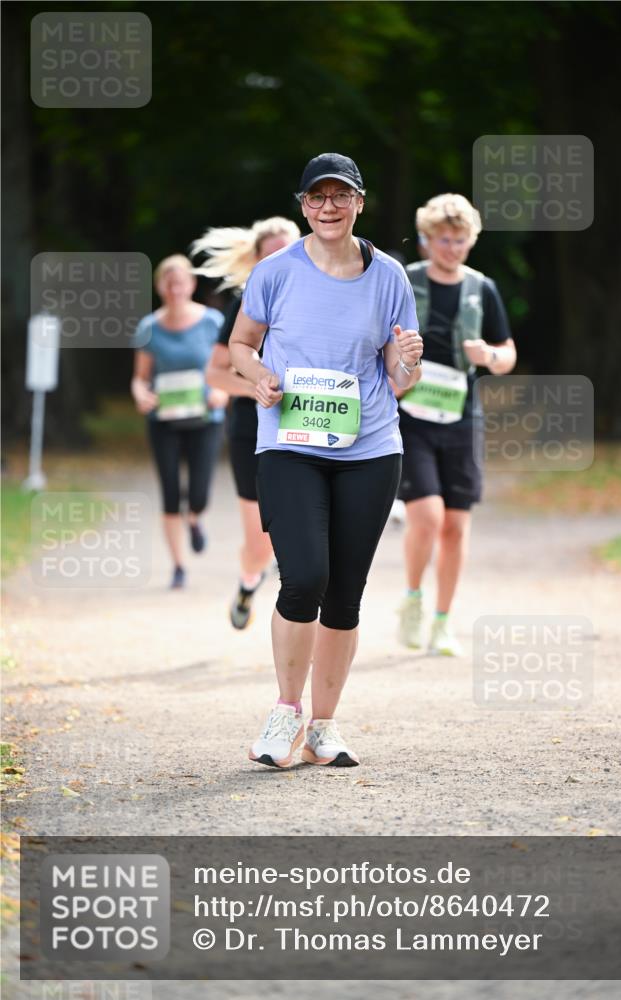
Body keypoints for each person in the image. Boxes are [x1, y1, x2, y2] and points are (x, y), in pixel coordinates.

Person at [228, 153, 423, 768]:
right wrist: (258, 376)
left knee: (344, 595)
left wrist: (409, 360)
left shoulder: (389, 275)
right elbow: (240, 343)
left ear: (360, 202)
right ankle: (284, 712)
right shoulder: (274, 271)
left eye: (340, 196)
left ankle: (323, 727)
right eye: (317, 198)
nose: (328, 207)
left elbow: (399, 379)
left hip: (370, 448)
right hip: (289, 445)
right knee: (305, 575)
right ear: (303, 205)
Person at [396, 194, 516, 654]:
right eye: (443, 240)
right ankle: (412, 598)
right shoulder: (407, 281)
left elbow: (507, 354)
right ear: (427, 240)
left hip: (463, 417)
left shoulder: (481, 288)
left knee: (456, 526)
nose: (451, 248)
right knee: (426, 516)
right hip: (412, 416)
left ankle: (443, 621)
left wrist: (489, 356)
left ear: (471, 240)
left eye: (460, 240)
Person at [192, 218, 301, 628]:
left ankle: (305, 623)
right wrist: (256, 386)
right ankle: (248, 581)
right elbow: (215, 374)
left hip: (308, 429)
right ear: (256, 262)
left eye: (287, 250)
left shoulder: (325, 298)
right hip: (252, 434)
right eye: (269, 254)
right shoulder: (246, 305)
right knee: (260, 545)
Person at [131, 255, 228, 589]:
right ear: (160, 287)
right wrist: (141, 394)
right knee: (170, 491)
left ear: (191, 285)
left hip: (206, 417)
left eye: (180, 282)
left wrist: (221, 392)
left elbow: (228, 369)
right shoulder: (149, 327)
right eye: (168, 283)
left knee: (198, 492)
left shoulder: (212, 322)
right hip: (164, 420)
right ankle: (178, 565)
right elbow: (140, 378)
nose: (174, 289)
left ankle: (196, 518)